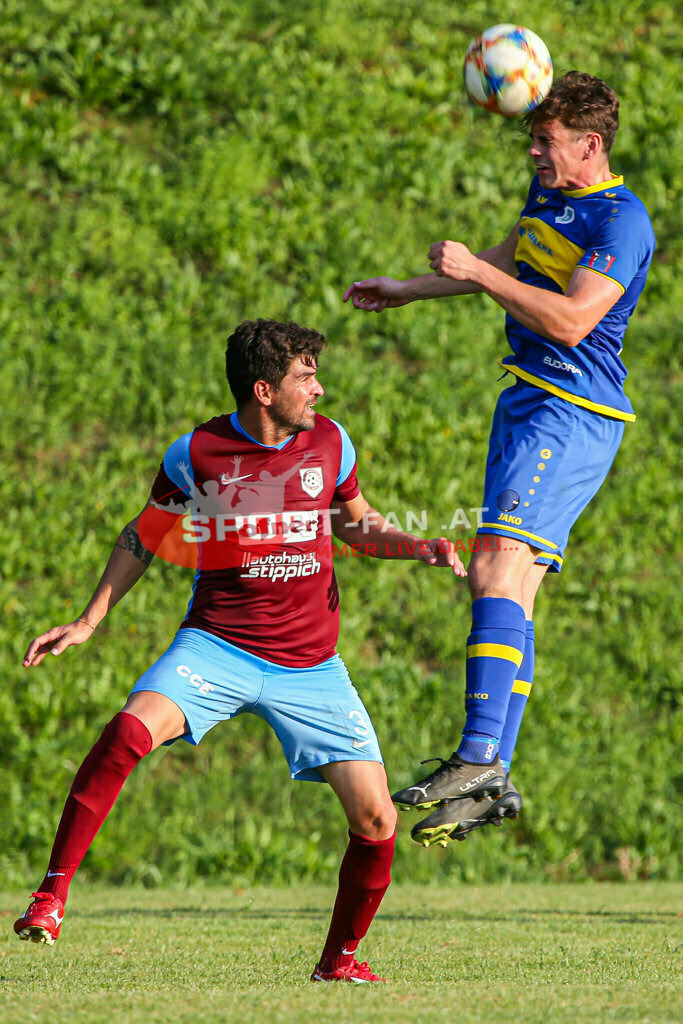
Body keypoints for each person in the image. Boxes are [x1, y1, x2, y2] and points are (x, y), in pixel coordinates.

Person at [14, 318, 465, 982]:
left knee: (377, 819)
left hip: (311, 666)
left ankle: (338, 963)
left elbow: (358, 527)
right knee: (128, 730)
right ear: (264, 390)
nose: (318, 389)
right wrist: (88, 620)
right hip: (218, 647)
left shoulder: (331, 442)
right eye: (305, 377)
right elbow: (143, 537)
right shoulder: (196, 453)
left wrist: (419, 546)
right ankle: (51, 896)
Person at [343, 72, 655, 848]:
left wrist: (477, 274)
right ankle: (492, 774)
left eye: (546, 142)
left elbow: (572, 321)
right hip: (531, 406)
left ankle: (478, 755)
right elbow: (513, 255)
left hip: (567, 410)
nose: (534, 153)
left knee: (489, 568)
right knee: (514, 588)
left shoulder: (620, 221)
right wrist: (412, 288)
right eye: (532, 140)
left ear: (590, 144)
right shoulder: (548, 195)